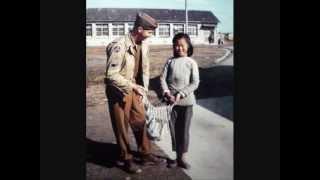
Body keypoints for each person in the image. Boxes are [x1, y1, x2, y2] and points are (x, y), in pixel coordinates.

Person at [104, 12, 164, 174]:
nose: (151, 36)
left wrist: (141, 88)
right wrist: (132, 86)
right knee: (121, 127)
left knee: (140, 120)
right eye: (149, 32)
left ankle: (145, 154)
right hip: (119, 91)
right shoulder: (119, 46)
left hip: (135, 89)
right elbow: (111, 76)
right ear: (139, 29)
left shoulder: (143, 43)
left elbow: (143, 67)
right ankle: (126, 158)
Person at [160, 33, 200, 169]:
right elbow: (162, 79)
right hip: (171, 103)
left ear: (188, 47)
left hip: (186, 103)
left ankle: (183, 158)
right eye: (176, 45)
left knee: (184, 131)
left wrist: (180, 94)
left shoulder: (191, 62)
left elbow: (195, 83)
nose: (179, 48)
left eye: (182, 45)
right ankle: (176, 157)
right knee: (174, 130)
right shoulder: (170, 61)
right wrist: (166, 93)